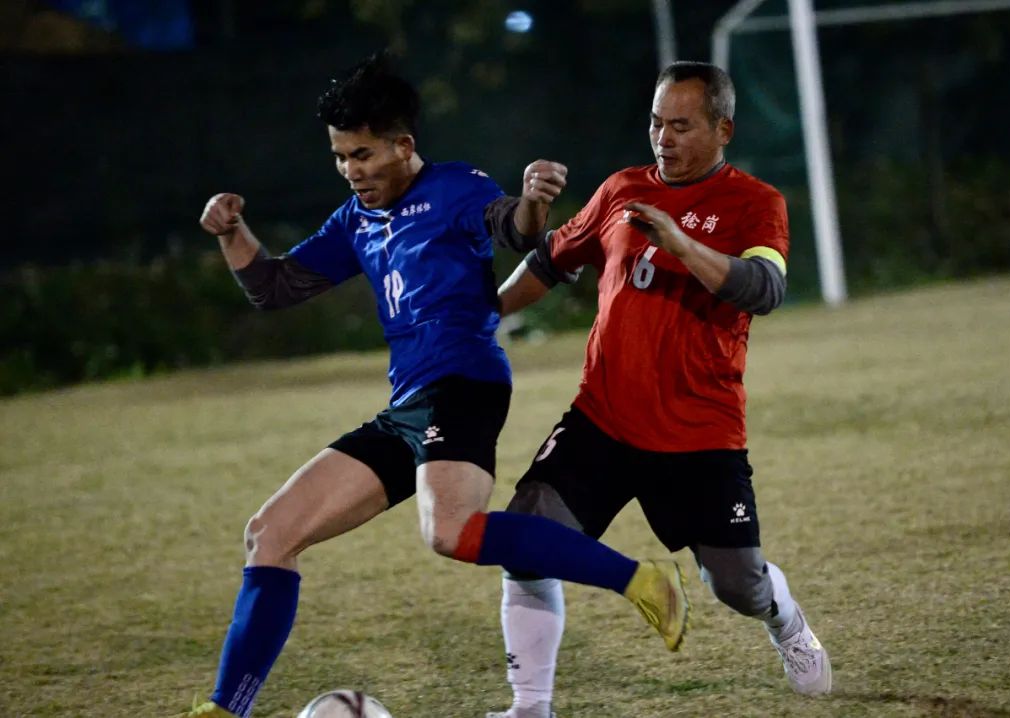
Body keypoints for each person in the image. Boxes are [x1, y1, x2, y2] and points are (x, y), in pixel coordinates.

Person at [178, 54, 690, 718]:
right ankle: (226, 709)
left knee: (449, 531)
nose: (351, 171)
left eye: (361, 155)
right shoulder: (355, 220)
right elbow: (274, 289)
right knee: (269, 532)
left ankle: (643, 581)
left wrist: (535, 203)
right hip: (408, 406)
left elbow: (512, 228)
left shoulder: (455, 189)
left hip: (465, 384)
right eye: (340, 158)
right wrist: (232, 233)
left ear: (402, 145)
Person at [488, 61, 832, 718]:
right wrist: (480, 315)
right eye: (655, 122)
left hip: (699, 432)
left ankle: (784, 620)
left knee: (735, 586)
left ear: (722, 128)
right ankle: (530, 706)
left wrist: (678, 240)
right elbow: (548, 262)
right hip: (603, 419)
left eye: (680, 125)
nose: (662, 138)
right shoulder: (621, 188)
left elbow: (765, 289)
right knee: (524, 540)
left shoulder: (755, 203)